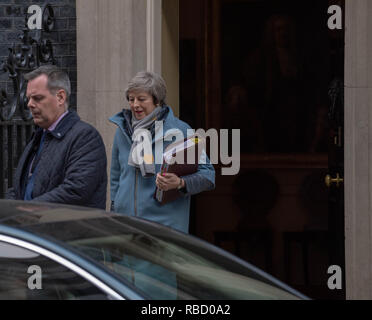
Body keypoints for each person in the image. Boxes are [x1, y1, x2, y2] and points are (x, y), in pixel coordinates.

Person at [109, 71, 215, 233]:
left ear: (157, 100)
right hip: (126, 227)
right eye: (131, 99)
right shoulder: (122, 131)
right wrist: (115, 210)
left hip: (164, 229)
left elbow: (208, 176)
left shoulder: (181, 130)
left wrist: (180, 183)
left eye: (141, 99)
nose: (135, 104)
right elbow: (116, 178)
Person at [6, 65, 107, 209]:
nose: (29, 104)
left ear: (60, 97)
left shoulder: (85, 137)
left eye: (37, 98)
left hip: (65, 229)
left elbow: (76, 190)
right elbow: (19, 187)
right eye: (28, 98)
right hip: (32, 228)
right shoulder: (39, 136)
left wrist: (28, 210)